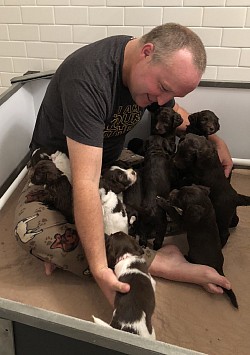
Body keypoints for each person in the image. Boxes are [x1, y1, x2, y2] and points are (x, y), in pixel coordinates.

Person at [14, 23, 233, 306]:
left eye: (171, 93)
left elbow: (174, 111)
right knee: (29, 231)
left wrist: (216, 141)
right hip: (58, 167)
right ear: (147, 52)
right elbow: (84, 183)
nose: (162, 101)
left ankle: (85, 246)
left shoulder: (151, 78)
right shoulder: (88, 79)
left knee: (193, 192)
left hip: (113, 162)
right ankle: (160, 262)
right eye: (163, 88)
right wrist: (99, 269)